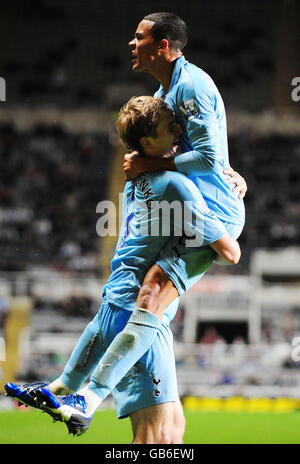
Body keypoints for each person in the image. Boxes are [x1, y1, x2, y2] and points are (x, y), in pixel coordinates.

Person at [6, 96, 240, 444]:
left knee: (172, 430)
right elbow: (230, 252)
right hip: (141, 316)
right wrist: (230, 203)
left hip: (114, 303)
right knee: (155, 440)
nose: (178, 130)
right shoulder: (176, 186)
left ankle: (62, 391)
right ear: (147, 143)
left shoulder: (135, 179)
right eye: (168, 127)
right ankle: (83, 399)